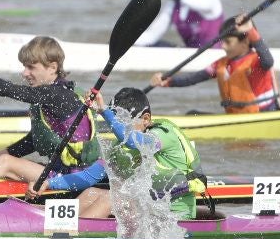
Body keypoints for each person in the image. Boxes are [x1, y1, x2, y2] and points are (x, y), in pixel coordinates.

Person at [0, 36, 100, 184]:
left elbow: (7, 89)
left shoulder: (58, 95)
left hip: (75, 178)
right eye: (24, 67)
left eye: (31, 67)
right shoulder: (53, 95)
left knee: (5, 163)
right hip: (62, 172)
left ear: (52, 67)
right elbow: (31, 143)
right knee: (0, 160)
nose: (24, 73)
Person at [45, 87, 207, 220]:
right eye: (117, 124)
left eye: (124, 124)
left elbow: (132, 140)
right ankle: (57, 225)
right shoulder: (121, 148)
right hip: (146, 210)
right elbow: (89, 177)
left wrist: (104, 111)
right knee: (90, 193)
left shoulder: (164, 135)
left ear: (145, 119)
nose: (119, 130)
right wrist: (49, 184)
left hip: (175, 216)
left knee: (111, 199)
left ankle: (73, 234)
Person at [150, 13, 280, 113]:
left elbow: (269, 61)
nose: (223, 46)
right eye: (222, 41)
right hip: (237, 118)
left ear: (246, 42)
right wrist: (167, 81)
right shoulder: (221, 65)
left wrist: (251, 31)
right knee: (192, 115)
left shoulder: (256, 61)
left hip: (263, 115)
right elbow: (192, 79)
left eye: (228, 42)